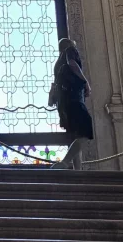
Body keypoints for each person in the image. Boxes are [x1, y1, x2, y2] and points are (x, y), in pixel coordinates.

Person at [50, 37, 94, 169]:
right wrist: (85, 82)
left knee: (76, 134)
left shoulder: (58, 63)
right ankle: (65, 162)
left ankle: (78, 171)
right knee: (86, 130)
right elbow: (73, 64)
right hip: (74, 98)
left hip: (63, 103)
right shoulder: (70, 50)